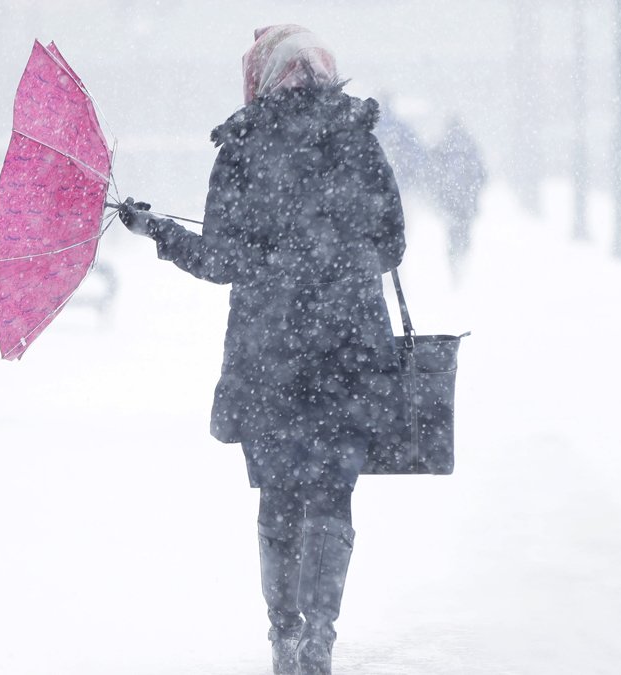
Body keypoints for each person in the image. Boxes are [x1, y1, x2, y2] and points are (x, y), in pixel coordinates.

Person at [117, 24, 406, 675]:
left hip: (271, 354)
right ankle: (320, 639)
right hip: (349, 352)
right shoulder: (358, 142)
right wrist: (333, 256)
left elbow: (219, 259)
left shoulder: (244, 147)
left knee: (279, 499)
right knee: (332, 498)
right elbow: (391, 246)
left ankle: (285, 636)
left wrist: (157, 229)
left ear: (260, 76)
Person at [428, 117, 486, 279]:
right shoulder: (469, 145)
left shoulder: (442, 146)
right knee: (465, 230)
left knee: (452, 231)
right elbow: (482, 174)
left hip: (449, 199)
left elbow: (432, 172)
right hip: (466, 197)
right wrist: (475, 192)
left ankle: (454, 265)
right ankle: (463, 260)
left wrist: (438, 194)